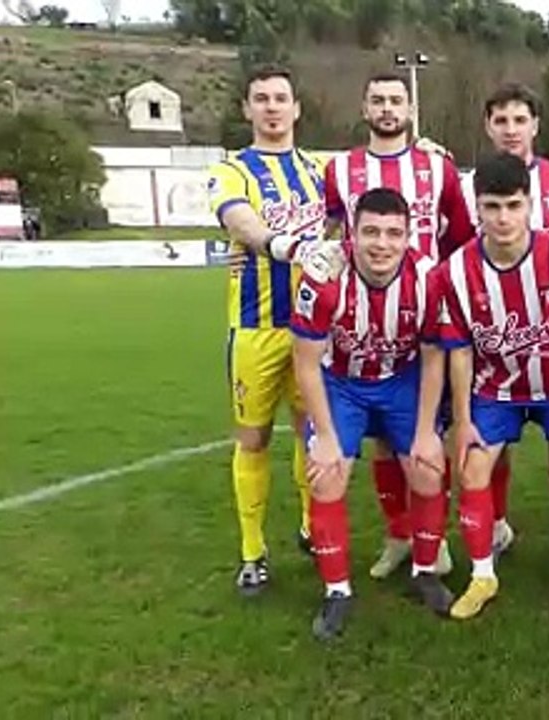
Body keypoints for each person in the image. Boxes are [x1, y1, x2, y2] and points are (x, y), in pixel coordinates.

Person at [414, 152, 549, 622]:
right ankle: (482, 575)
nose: (503, 218)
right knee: (472, 470)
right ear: (477, 208)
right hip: (494, 392)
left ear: (530, 206)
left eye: (513, 205)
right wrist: (464, 420)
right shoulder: (454, 272)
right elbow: (460, 352)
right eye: (492, 206)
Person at [321, 72, 475, 580]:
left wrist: (443, 287)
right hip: (364, 321)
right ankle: (399, 534)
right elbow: (329, 233)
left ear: (410, 108)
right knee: (385, 443)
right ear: (364, 108)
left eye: (396, 100)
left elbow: (461, 233)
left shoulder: (438, 166)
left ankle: (432, 542)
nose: (388, 109)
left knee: (428, 439)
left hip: (423, 320)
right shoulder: (340, 169)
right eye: (378, 100)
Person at [290, 187, 451, 639]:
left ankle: (425, 571)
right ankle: (337, 590)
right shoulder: (323, 278)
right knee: (327, 474)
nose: (382, 244)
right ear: (352, 234)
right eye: (371, 232)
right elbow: (305, 363)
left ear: (407, 236)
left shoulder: (428, 278)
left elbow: (434, 357)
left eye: (393, 233)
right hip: (341, 384)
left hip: (402, 381)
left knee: (427, 467)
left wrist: (425, 432)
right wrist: (323, 437)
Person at [207, 65, 328, 596]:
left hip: (311, 327)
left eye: (281, 98)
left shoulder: (320, 170)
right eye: (262, 99)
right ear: (247, 109)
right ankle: (252, 551)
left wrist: (430, 150)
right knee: (253, 438)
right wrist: (282, 245)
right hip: (255, 329)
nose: (272, 107)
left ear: (297, 108)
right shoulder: (232, 170)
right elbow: (239, 221)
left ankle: (310, 526)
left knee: (311, 431)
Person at [459, 83, 549, 566]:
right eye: (501, 121)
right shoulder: (471, 184)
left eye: (520, 120)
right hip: (494, 338)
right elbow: (459, 244)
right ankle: (494, 526)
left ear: (535, 125)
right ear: (488, 127)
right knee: (493, 442)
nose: (511, 130)